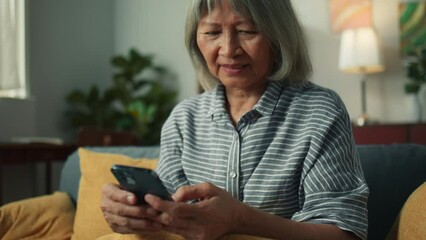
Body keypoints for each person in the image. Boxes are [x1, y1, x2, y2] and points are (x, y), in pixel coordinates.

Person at [100, 0, 369, 239]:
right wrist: (134, 212)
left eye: (246, 31)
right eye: (212, 32)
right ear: (196, 40)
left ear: (279, 37)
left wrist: (240, 218)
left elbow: (343, 233)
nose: (229, 49)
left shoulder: (319, 110)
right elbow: (167, 213)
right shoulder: (183, 119)